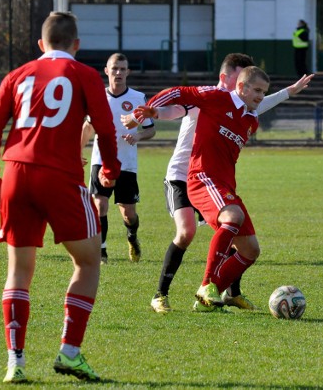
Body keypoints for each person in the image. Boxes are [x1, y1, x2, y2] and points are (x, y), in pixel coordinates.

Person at [0, 11, 121, 384]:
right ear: (76, 44)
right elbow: (106, 130)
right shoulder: (86, 74)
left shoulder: (17, 75)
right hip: (60, 176)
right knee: (89, 262)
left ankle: (15, 362)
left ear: (40, 45)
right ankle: (70, 352)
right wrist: (110, 171)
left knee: (18, 271)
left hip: (15, 175)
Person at [124, 54, 312, 314]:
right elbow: (178, 95)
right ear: (239, 85)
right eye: (256, 89)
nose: (260, 95)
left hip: (223, 185)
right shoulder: (215, 97)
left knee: (249, 250)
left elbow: (256, 105)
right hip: (198, 177)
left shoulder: (250, 120)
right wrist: (146, 112)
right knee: (203, 227)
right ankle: (193, 288)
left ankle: (210, 301)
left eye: (263, 91)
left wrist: (287, 92)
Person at [81, 53, 155, 264]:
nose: (119, 73)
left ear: (128, 72)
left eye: (123, 69)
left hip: (127, 164)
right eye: (115, 68)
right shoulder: (97, 97)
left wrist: (138, 135)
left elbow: (151, 130)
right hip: (101, 159)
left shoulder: (138, 98)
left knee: (128, 213)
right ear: (106, 71)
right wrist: (79, 151)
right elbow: (88, 127)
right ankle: (101, 252)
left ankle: (132, 237)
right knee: (99, 205)